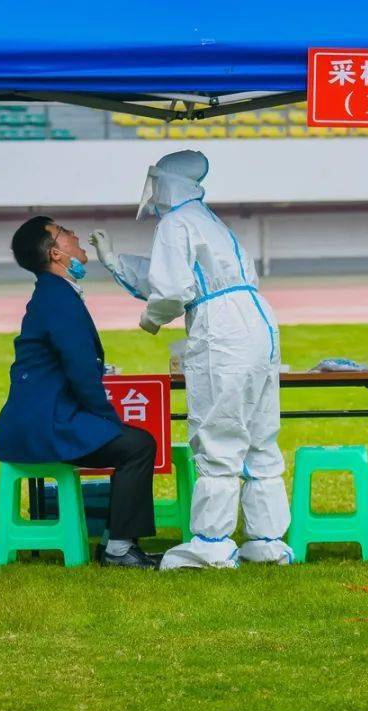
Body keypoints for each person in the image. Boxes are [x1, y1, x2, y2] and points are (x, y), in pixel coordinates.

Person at [89, 150, 291, 570]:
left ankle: (213, 543)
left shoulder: (174, 222)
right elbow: (182, 275)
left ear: (163, 183)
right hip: (257, 323)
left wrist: (150, 318)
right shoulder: (207, 219)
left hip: (222, 331)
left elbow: (173, 288)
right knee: (258, 433)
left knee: (218, 433)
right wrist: (117, 263)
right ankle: (267, 540)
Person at [0, 217, 158, 568]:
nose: (75, 235)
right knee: (137, 446)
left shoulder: (54, 293)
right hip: (45, 424)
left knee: (133, 442)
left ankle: (119, 544)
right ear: (56, 253)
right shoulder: (57, 298)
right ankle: (118, 549)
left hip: (44, 417)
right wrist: (107, 419)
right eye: (64, 232)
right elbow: (81, 371)